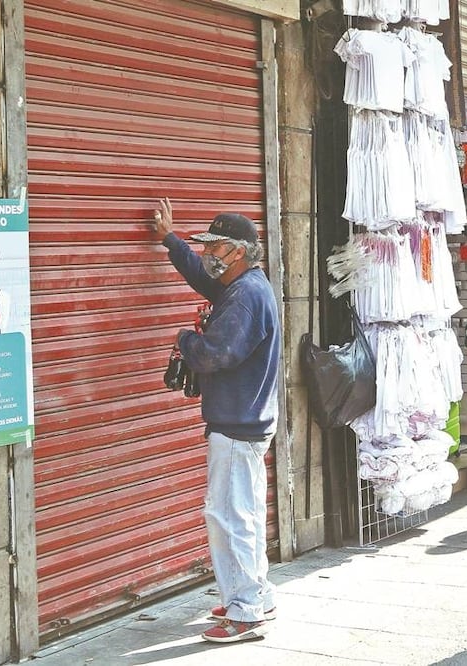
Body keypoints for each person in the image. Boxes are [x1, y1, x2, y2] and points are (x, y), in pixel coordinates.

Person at [153, 199, 279, 643]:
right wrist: (171, 240)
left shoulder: (244, 297)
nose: (208, 253)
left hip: (237, 425)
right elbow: (202, 277)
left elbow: (217, 353)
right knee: (244, 514)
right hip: (247, 422)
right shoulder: (242, 286)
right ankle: (256, 595)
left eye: (215, 246)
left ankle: (244, 612)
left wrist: (185, 340)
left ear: (239, 252)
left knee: (227, 516)